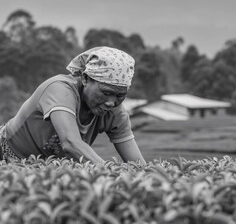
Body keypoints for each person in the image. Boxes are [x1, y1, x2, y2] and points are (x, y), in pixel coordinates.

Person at [0, 46, 146, 165]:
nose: (111, 102)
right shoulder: (59, 89)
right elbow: (70, 143)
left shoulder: (115, 111)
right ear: (85, 79)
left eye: (120, 95)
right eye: (106, 93)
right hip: (6, 154)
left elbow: (137, 163)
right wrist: (110, 173)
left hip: (44, 169)